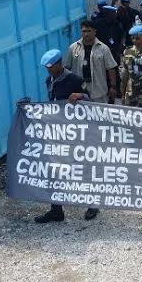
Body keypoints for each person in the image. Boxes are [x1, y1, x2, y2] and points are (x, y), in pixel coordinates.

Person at [34, 49, 97, 223]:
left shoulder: (74, 80)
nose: (48, 70)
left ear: (59, 64)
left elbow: (91, 100)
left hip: (76, 132)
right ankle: (56, 210)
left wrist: (80, 96)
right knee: (54, 169)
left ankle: (92, 204)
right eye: (46, 68)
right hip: (57, 132)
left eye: (51, 67)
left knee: (82, 168)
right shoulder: (49, 81)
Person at [64, 19, 118, 104]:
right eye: (84, 31)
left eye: (89, 31)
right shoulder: (73, 48)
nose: (86, 34)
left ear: (95, 31)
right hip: (79, 92)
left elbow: (111, 68)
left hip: (99, 92)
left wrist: (113, 87)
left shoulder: (103, 48)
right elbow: (66, 69)